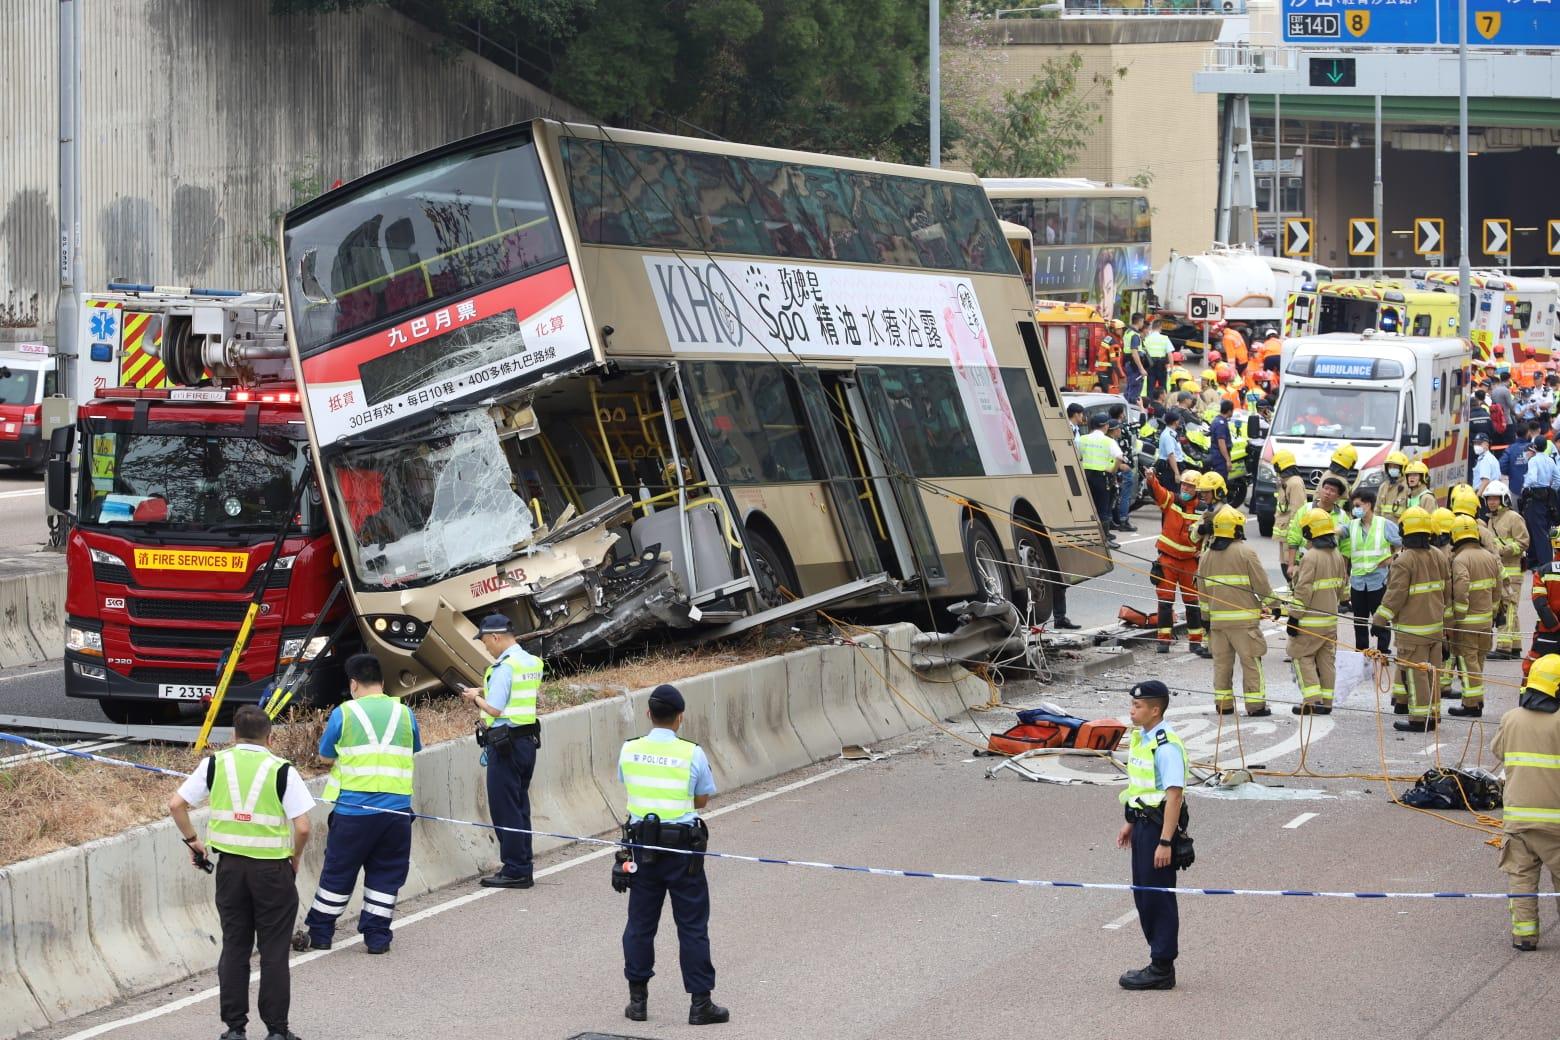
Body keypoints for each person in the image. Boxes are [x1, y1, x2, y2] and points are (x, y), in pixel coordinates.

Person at [168, 706, 313, 1040]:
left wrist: (193, 841)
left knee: (235, 947)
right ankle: (277, 1030)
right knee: (274, 951)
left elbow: (176, 804)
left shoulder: (215, 764)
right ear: (270, 738)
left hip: (230, 870)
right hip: (272, 871)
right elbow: (303, 827)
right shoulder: (282, 770)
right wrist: (294, 858)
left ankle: (235, 1029)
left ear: (233, 736)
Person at [618, 684, 729, 1025]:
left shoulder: (629, 750)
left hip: (642, 848)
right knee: (692, 926)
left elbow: (629, 785)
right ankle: (700, 1004)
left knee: (639, 925)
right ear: (680, 717)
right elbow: (702, 799)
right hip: (682, 851)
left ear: (648, 714)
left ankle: (638, 1002)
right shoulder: (691, 753)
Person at [305, 653, 421, 953]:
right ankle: (377, 938)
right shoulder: (404, 713)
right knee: (386, 875)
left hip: (353, 812)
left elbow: (325, 756)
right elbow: (413, 749)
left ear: (353, 684)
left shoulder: (344, 713)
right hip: (396, 813)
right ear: (382, 681)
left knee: (338, 872)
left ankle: (320, 934)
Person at [459, 613, 543, 888]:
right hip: (527, 742)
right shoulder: (531, 662)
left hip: (506, 745)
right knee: (519, 806)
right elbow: (515, 693)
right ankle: (523, 864)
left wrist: (475, 698)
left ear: (495, 637)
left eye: (485, 642)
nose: (486, 647)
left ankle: (515, 869)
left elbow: (495, 709)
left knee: (505, 808)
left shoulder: (504, 667)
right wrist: (485, 689)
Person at [1115, 679, 1187, 991]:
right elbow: (1142, 787)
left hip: (1159, 829)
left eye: (1138, 706)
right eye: (1132, 705)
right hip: (1144, 824)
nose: (1132, 711)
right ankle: (1158, 961)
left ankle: (1162, 967)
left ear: (1155, 710)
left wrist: (1165, 842)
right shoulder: (1142, 738)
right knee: (1144, 894)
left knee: (1157, 897)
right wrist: (1130, 821)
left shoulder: (1165, 745)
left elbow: (1174, 796)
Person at [1491, 654, 1560, 951]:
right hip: (1556, 820)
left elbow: (1498, 751)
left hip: (1518, 819)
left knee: (1521, 878)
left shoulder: (1511, 718)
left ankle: (1525, 936)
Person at [1371, 506, 1450, 732]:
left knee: (1417, 675)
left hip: (1412, 631)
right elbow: (1448, 591)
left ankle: (1419, 719)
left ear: (1404, 530)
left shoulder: (1404, 560)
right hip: (1435, 629)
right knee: (1433, 673)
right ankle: (1433, 714)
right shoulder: (1438, 555)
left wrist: (1379, 620)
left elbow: (1395, 595)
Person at [1198, 506, 1275, 716]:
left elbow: (1202, 592)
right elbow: (1262, 586)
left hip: (1217, 624)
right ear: (1236, 529)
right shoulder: (1246, 552)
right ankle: (1255, 706)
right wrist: (1276, 606)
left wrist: (1206, 619)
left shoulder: (1206, 556)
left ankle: (1223, 705)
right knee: (1251, 663)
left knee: (1221, 665)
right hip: (1244, 624)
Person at [1288, 508, 1347, 715]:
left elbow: (1303, 590)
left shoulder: (1311, 557)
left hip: (1309, 622)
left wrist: (1294, 617)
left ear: (1309, 532)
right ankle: (1326, 702)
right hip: (1330, 620)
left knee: (1300, 656)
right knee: (1326, 661)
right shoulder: (1337, 555)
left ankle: (1312, 701)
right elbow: (1342, 588)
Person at [1144, 467, 1207, 657]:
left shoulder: (1204, 510)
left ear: (1197, 490)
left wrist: (1204, 552)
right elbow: (1158, 491)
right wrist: (1151, 479)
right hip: (1167, 560)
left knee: (1192, 604)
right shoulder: (1171, 500)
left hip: (1190, 563)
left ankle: (1195, 642)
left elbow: (1209, 534)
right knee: (1165, 602)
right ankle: (1163, 641)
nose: (1185, 489)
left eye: (1190, 487)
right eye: (1184, 485)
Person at [1446, 514, 1501, 718]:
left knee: (1468, 662)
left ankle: (1472, 705)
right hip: (1486, 620)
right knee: (1478, 661)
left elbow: (1461, 589)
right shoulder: (1489, 556)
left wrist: (1458, 616)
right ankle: (1474, 701)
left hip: (1467, 623)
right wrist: (1493, 612)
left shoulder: (1460, 559)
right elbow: (1497, 587)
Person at [1345, 488, 1401, 656]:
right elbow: (1338, 531)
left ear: (1368, 505)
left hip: (1378, 580)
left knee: (1381, 617)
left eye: (1357, 505)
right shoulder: (1352, 525)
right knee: (1359, 620)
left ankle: (1383, 651)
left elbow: (1402, 544)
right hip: (1358, 582)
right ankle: (1361, 652)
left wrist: (1391, 559)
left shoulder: (1384, 524)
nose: (1355, 509)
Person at [1485, 481, 1530, 659]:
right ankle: (1515, 647)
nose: (1492, 502)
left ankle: (1504, 648)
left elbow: (1523, 542)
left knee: (1508, 608)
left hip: (1512, 571)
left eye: (1495, 499)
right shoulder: (1491, 520)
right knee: (1510, 608)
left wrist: (1503, 550)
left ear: (1504, 499)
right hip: (1499, 571)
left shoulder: (1514, 518)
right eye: (1489, 499)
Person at [1080, 412, 1128, 549]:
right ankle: (1104, 539)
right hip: (1102, 478)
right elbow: (1119, 457)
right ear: (1105, 426)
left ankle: (1088, 538)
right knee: (1103, 509)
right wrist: (1113, 470)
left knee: (1088, 507)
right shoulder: (1108, 441)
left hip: (1085, 476)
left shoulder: (1082, 439)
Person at [1526, 529, 1560, 680]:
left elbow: (1540, 602)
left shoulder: (1543, 572)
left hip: (1548, 630)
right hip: (1550, 629)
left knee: (1534, 664)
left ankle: (1528, 693)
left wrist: (1553, 625)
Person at [1272, 449, 1308, 582]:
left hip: (1290, 535)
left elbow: (1298, 511)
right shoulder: (1286, 482)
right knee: (1284, 563)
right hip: (1284, 533)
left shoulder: (1295, 483)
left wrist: (1294, 535)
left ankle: (1295, 590)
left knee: (1291, 566)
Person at [1522, 439, 1557, 571]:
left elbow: (1532, 478)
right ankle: (1534, 561)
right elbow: (1558, 478)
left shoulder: (1534, 460)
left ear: (1535, 447)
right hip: (1547, 495)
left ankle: (1544, 564)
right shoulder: (1550, 460)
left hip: (1535, 495)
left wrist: (1525, 487)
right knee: (1542, 528)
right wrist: (1551, 489)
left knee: (1537, 530)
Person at [1109, 402, 1138, 533]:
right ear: (1121, 414)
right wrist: (1142, 409)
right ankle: (1123, 521)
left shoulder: (1108, 428)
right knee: (1125, 495)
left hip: (1113, 468)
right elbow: (1139, 425)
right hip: (1123, 466)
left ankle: (1113, 520)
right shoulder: (1124, 427)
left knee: (1115, 495)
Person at [1501, 421, 1534, 497]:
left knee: (1515, 504)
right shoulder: (1533, 448)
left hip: (1515, 487)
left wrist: (1511, 473)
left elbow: (1502, 465)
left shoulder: (1510, 449)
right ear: (1528, 433)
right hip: (1532, 489)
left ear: (1516, 434)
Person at [1143, 316, 1172, 399]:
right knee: (1162, 386)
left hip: (1150, 364)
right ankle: (1163, 402)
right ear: (1160, 327)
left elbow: (1143, 352)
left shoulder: (1146, 338)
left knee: (1150, 387)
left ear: (1152, 327)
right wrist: (1171, 368)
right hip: (1161, 365)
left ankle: (1150, 403)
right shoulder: (1165, 338)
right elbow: (1170, 354)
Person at [1377, 451, 1411, 521]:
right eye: (1390, 466)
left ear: (1403, 468)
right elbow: (1377, 509)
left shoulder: (1408, 487)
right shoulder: (1383, 486)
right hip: (1384, 525)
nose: (1392, 469)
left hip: (1399, 525)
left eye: (1395, 467)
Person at [1155, 408, 1184, 486]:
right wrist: (1176, 473)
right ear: (1175, 422)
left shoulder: (1171, 433)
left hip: (1172, 467)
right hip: (1170, 469)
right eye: (1178, 420)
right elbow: (1171, 455)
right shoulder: (1168, 436)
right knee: (1172, 491)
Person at [1208, 399, 1234, 479]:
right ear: (1229, 411)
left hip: (1216, 455)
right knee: (1221, 480)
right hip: (1220, 458)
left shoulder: (1216, 420)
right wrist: (1228, 460)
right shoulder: (1221, 424)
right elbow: (1221, 443)